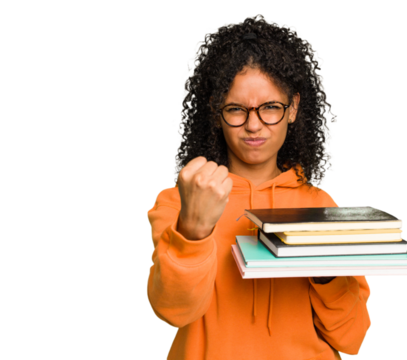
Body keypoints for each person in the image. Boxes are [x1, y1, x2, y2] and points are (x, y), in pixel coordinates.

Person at [147, 13, 372, 359]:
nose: (254, 126)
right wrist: (193, 229)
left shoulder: (321, 204)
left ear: (294, 108)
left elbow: (352, 339)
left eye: (270, 108)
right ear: (215, 109)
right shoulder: (180, 200)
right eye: (236, 109)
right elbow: (172, 311)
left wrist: (327, 274)